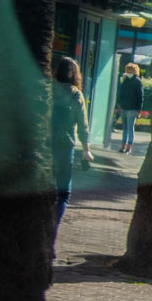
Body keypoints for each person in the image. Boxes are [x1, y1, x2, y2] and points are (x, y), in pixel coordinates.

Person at [51, 56, 94, 238]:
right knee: (63, 193)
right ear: (74, 74)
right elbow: (83, 125)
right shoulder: (76, 94)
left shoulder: (48, 88)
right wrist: (86, 150)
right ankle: (52, 232)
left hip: (44, 144)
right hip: (64, 145)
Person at [116, 62, 144, 154]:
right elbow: (121, 93)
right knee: (125, 128)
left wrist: (138, 110)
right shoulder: (126, 80)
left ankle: (128, 148)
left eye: (130, 70)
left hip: (132, 108)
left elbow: (140, 97)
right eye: (127, 70)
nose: (128, 72)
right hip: (124, 107)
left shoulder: (137, 82)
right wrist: (119, 103)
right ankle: (123, 147)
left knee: (130, 128)